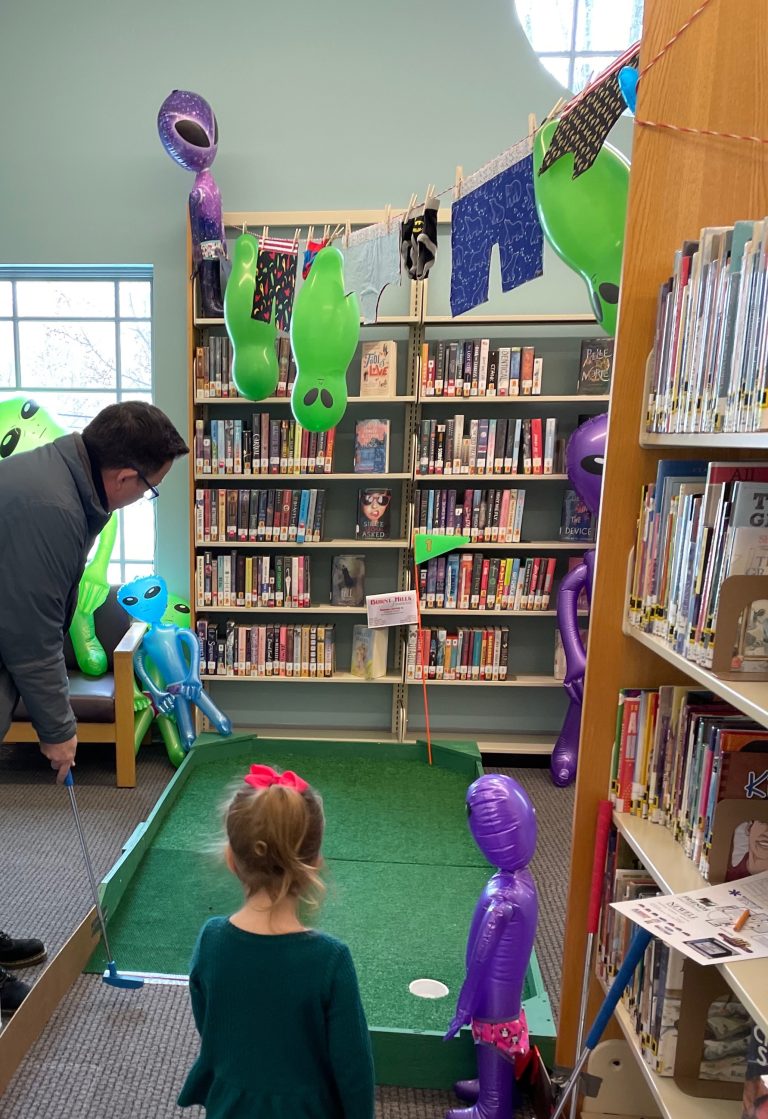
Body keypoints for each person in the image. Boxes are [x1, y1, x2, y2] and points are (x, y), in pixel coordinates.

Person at [0, 400, 188, 1015]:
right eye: (151, 489)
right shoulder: (52, 507)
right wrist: (58, 730)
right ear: (124, 476)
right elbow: (31, 635)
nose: (143, 499)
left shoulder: (64, 482)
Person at [178, 764, 374, 1119]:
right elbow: (353, 1068)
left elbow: (210, 1026)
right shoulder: (330, 960)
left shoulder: (211, 941)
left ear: (231, 859)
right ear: (314, 863)